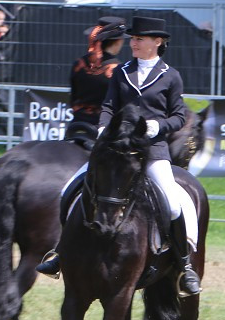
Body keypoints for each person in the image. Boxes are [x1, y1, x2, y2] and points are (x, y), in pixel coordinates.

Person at [37, 15, 201, 297]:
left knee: (173, 205)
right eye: (133, 38)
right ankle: (61, 253)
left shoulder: (170, 76)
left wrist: (157, 126)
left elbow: (177, 116)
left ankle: (184, 266)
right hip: (117, 151)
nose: (133, 43)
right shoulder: (122, 71)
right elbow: (109, 106)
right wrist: (103, 128)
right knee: (70, 190)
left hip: (152, 151)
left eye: (139, 39)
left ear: (157, 42)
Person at [66, 16, 127, 148]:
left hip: (76, 126)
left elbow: (73, 98)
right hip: (103, 131)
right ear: (118, 41)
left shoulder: (78, 64)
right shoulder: (119, 70)